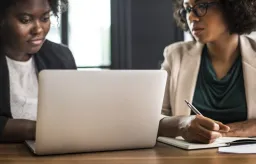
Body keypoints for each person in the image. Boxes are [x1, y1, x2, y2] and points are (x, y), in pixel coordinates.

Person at [158, 0, 256, 144]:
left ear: (232, 7)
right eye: (188, 9)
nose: (191, 16)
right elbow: (153, 118)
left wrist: (226, 132)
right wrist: (181, 124)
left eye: (202, 6)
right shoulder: (175, 55)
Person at [0, 0, 76, 143]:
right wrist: (39, 129)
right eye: (25, 20)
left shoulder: (60, 57)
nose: (38, 29)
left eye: (45, 18)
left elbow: (73, 111)